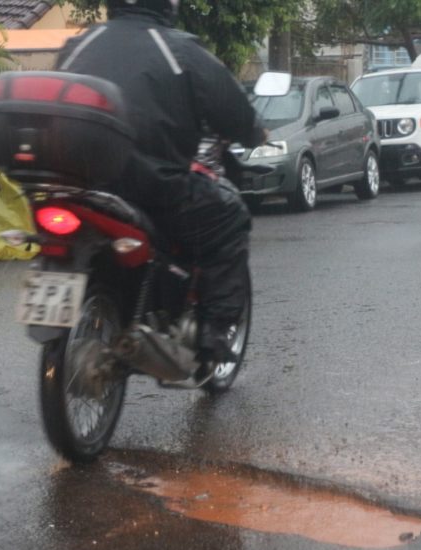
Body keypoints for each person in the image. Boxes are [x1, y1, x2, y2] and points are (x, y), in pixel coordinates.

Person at [54, 0, 266, 364]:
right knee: (230, 217)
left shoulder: (79, 45)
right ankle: (215, 335)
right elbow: (230, 107)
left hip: (78, 182)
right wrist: (253, 131)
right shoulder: (178, 48)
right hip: (150, 185)